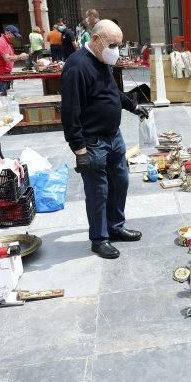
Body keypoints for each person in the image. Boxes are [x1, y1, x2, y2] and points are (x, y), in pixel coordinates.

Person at [61, 19, 150, 259]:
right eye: (113, 44)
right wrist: (79, 150)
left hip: (114, 137)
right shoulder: (77, 66)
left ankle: (115, 227)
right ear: (96, 39)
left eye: (119, 45)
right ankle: (99, 239)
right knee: (98, 191)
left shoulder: (103, 61)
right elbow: (70, 111)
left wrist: (133, 107)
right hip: (93, 142)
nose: (116, 50)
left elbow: (112, 92)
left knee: (120, 182)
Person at [0, 25, 28, 96]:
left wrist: (20, 56)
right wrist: (20, 57)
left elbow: (11, 56)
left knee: (7, 95)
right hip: (0, 74)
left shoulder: (7, 42)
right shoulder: (1, 42)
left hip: (5, 73)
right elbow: (7, 58)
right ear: (9, 33)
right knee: (4, 97)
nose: (15, 37)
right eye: (14, 35)